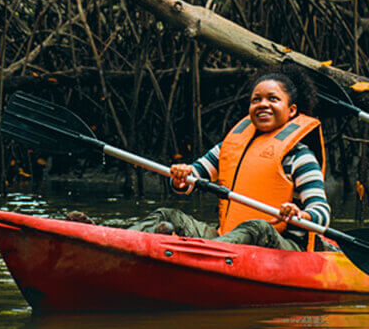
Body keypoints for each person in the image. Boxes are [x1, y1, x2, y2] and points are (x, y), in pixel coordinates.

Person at [130, 65, 331, 251]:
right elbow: (191, 179)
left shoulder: (300, 156)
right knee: (168, 215)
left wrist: (300, 214)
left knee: (258, 228)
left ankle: (203, 254)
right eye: (256, 100)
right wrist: (181, 177)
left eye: (273, 99)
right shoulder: (231, 146)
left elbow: (321, 213)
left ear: (292, 110)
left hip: (283, 245)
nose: (263, 105)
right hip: (229, 238)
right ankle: (115, 240)